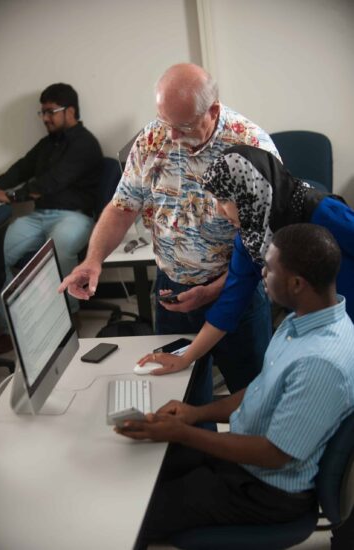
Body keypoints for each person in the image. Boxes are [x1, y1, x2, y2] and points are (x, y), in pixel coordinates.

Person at [116, 224, 354, 546]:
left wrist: (183, 432)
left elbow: (274, 455)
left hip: (265, 490)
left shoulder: (320, 363)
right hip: (247, 464)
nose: (262, 274)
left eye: (269, 269)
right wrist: (194, 414)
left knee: (128, 514)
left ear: (297, 283)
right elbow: (260, 389)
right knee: (140, 466)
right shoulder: (302, 320)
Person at [59, 63, 280, 394]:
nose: (172, 136)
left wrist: (211, 291)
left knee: (250, 398)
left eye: (184, 125)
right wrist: (93, 261)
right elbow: (121, 207)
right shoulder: (153, 138)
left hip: (235, 292)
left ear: (213, 110)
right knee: (182, 399)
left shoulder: (251, 147)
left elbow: (264, 243)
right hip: (171, 293)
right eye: (166, 122)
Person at [138, 144, 354, 376]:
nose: (220, 212)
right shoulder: (252, 239)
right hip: (322, 331)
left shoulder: (323, 212)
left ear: (248, 191)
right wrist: (186, 358)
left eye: (223, 201)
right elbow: (230, 303)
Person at [0, 83, 103, 354]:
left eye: (50, 112)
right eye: (42, 113)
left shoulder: (85, 143)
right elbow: (22, 168)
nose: (46, 119)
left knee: (59, 246)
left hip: (76, 217)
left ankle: (70, 316)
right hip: (39, 217)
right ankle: (12, 328)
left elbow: (51, 182)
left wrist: (12, 198)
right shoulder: (47, 144)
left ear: (70, 110)